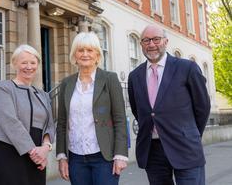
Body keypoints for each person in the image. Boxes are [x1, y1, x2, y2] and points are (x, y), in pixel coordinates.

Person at [128, 25, 211, 185]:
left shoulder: (187, 68)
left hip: (185, 147)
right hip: (153, 151)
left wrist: (190, 134)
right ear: (141, 44)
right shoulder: (135, 76)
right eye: (146, 40)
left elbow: (202, 107)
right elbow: (138, 111)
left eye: (156, 39)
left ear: (166, 41)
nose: (151, 44)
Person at [56, 32, 128, 185]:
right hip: (75, 157)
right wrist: (62, 156)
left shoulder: (110, 79)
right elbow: (62, 123)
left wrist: (120, 154)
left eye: (90, 50)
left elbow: (120, 119)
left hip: (104, 157)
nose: (85, 54)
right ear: (74, 55)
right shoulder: (66, 83)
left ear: (97, 54)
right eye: (80, 50)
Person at [0, 44, 55, 185]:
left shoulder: (43, 94)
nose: (28, 66)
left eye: (32, 62)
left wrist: (45, 148)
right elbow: (9, 121)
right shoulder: (4, 88)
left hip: (36, 155)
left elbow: (49, 125)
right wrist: (34, 152)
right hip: (8, 152)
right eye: (24, 62)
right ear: (15, 64)